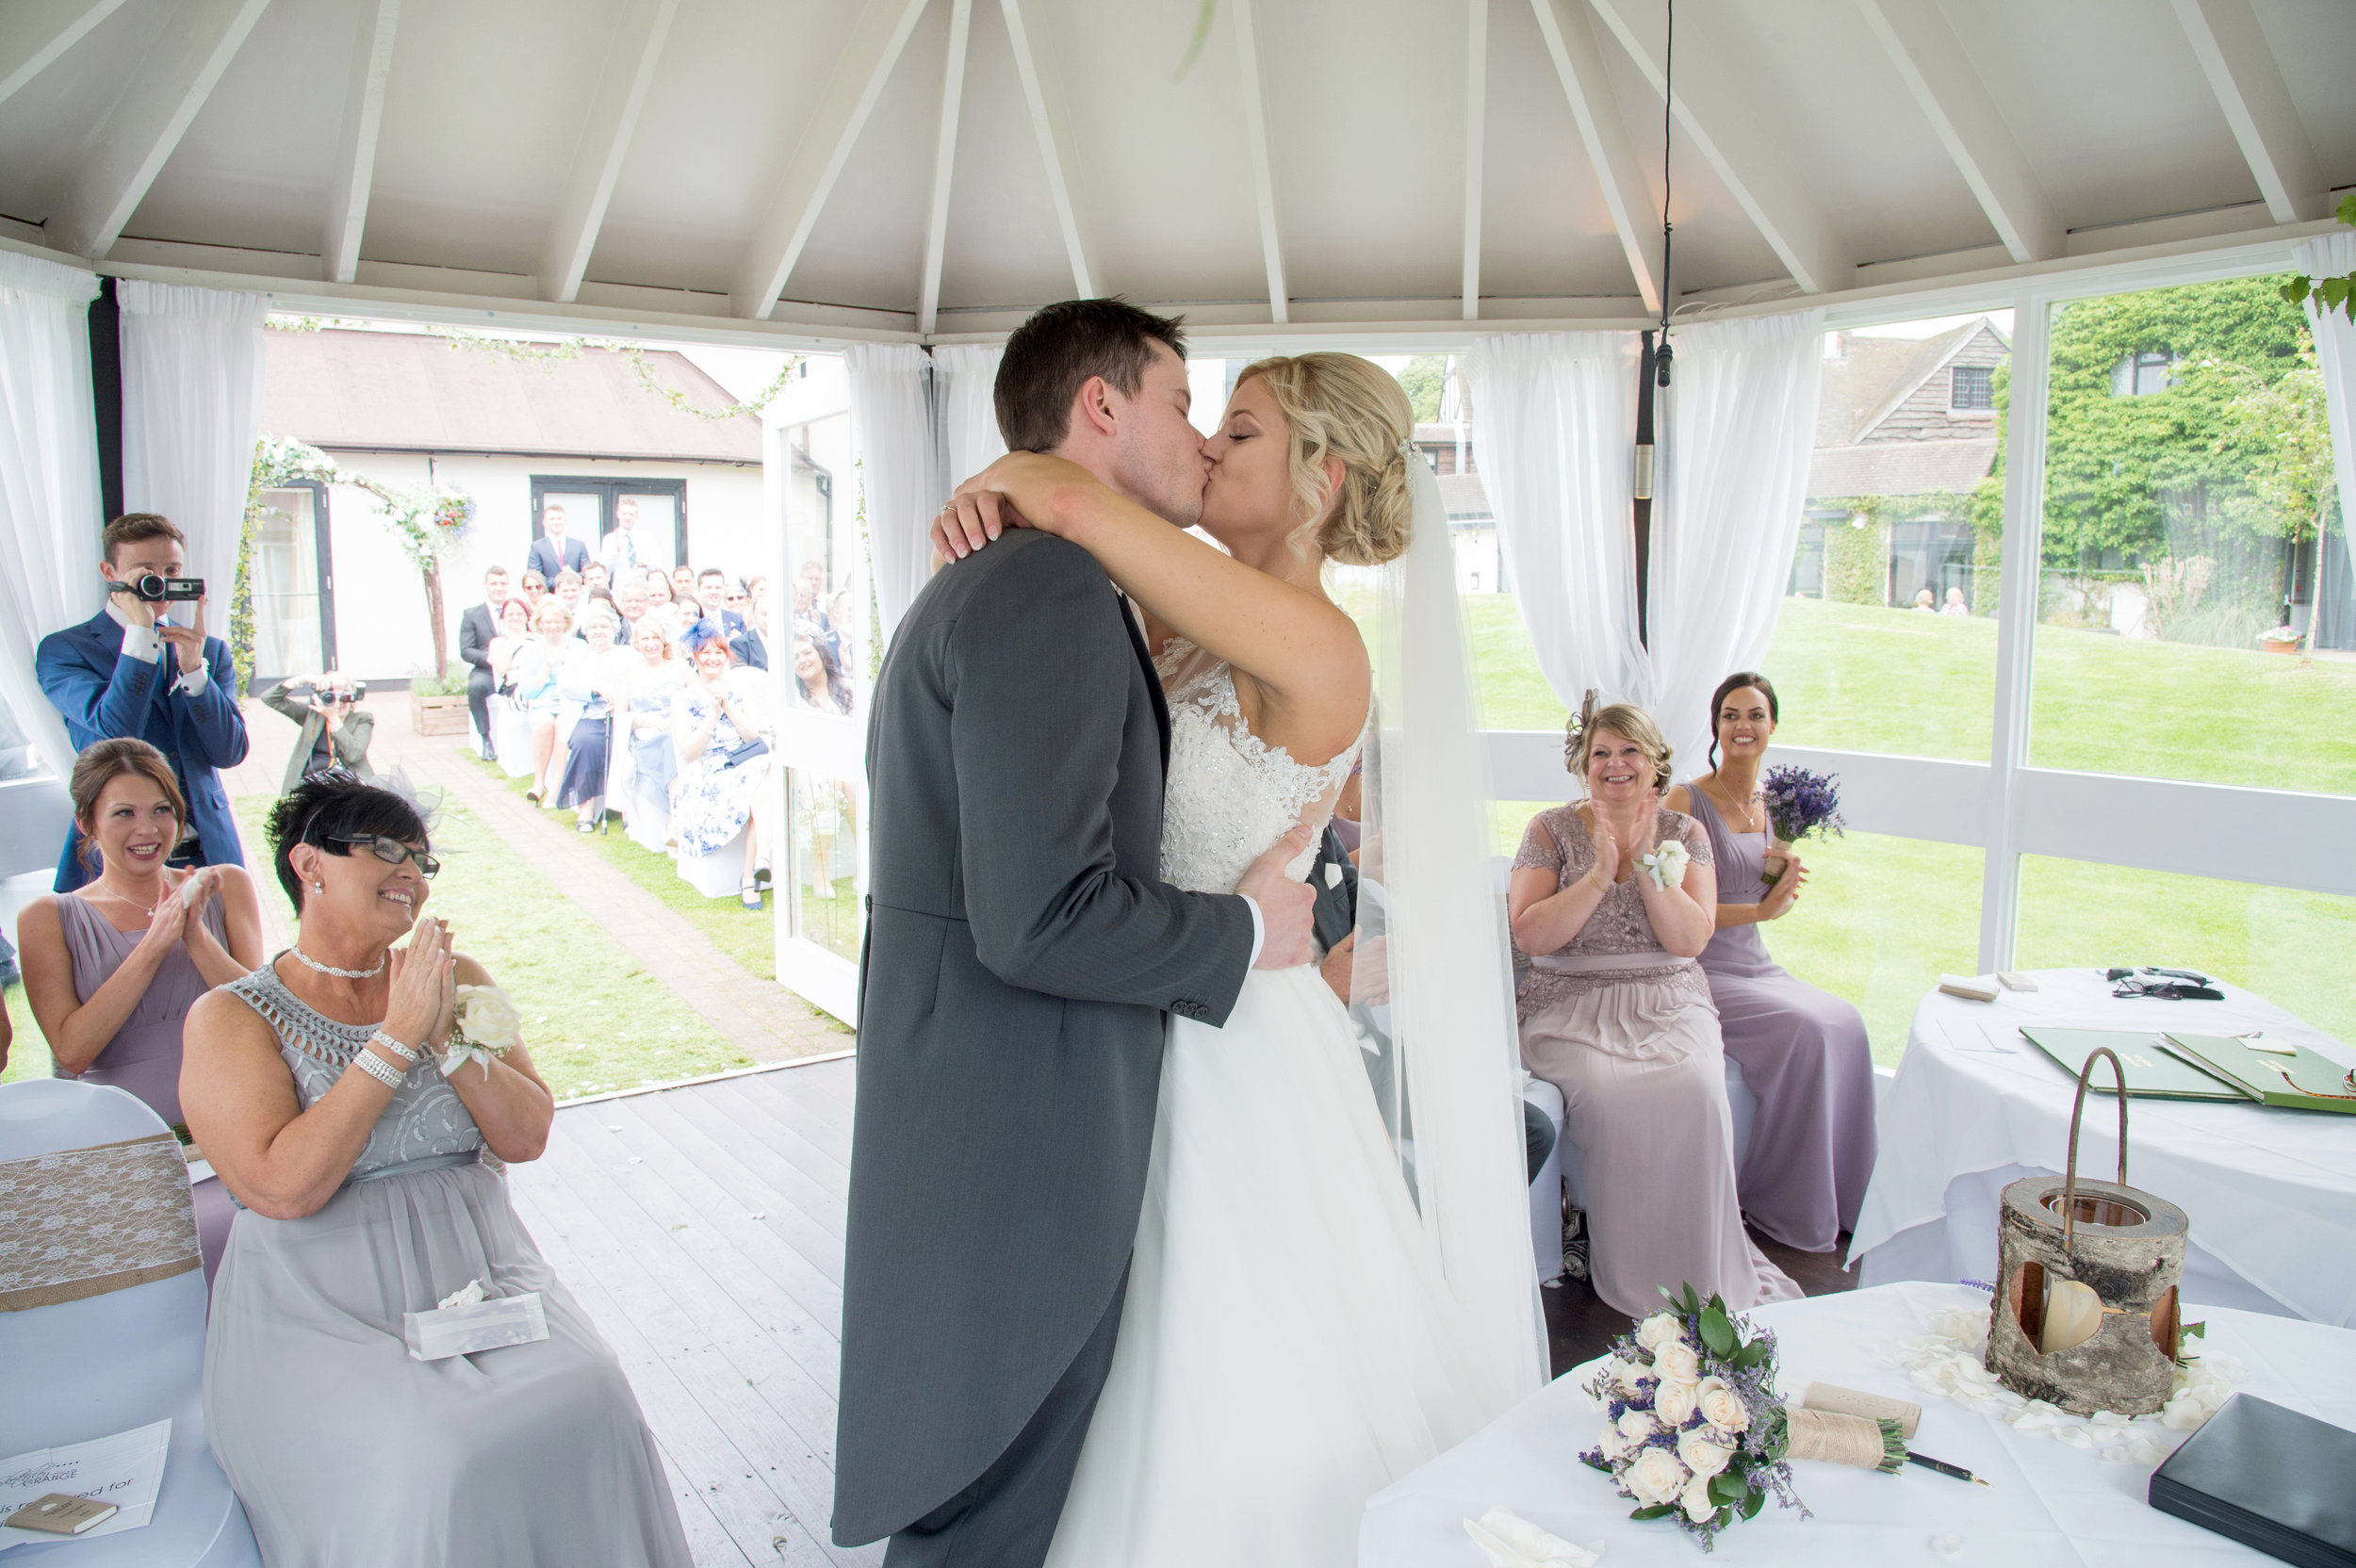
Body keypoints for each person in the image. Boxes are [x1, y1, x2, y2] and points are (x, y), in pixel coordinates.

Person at [904, 319, 1536, 1566]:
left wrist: (1017, 477)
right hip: (1144, 1006)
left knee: (1236, 1364)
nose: (1203, 445)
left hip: (1237, 1045)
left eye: (1236, 430)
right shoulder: (1183, 624)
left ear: (1322, 478)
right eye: (1199, 417)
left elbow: (1076, 510)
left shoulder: (1321, 644)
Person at [182, 771, 692, 1567]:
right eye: (386, 850)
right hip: (323, 1307)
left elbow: (526, 1135)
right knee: (436, 1448)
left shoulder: (465, 983)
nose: (412, 875)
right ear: (309, 865)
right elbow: (281, 1188)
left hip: (483, 1274)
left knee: (592, 1392)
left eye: (422, 860)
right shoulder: (231, 1016)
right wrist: (394, 1038)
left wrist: (443, 1036)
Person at [1508, 699, 1803, 1319]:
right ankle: (1628, 1265)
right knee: (1610, 1091)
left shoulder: (1685, 834)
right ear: (1582, 765)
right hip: (1571, 1001)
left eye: (1629, 751)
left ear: (1654, 762)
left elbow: (1690, 941)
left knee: (1696, 1088)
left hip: (1669, 996)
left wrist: (1646, 865)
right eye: (1602, 754)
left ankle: (1698, 1271)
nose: (1616, 764)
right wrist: (1595, 877)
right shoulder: (1549, 830)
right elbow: (1531, 937)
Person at [15, 738, 264, 1276]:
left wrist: (195, 935)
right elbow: (73, 1050)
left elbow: (267, 1017)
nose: (147, 830)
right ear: (86, 822)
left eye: (161, 811)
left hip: (241, 1127)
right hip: (122, 1148)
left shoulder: (227, 886)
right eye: (124, 813)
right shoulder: (48, 917)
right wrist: (154, 945)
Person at [1665, 673, 1876, 1254]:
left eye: (1755, 715)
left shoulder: (1775, 803)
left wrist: (1780, 877)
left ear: (1772, 726)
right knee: (1808, 1030)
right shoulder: (1686, 801)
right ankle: (1781, 1201)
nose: (1742, 726)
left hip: (1758, 964)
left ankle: (1848, 1199)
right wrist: (1762, 908)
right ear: (1715, 726)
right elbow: (1678, 907)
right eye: (1731, 715)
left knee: (1847, 1020)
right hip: (1701, 967)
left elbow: (1760, 889)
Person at [37, 513, 250, 891]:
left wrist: (194, 670)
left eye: (172, 570)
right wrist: (140, 634)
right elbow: (115, 734)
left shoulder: (207, 650)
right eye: (146, 572)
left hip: (207, 852)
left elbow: (230, 752)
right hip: (114, 857)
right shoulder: (65, 650)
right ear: (109, 571)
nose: (161, 584)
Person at [671, 621, 776, 910]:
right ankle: (755, 868)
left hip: (745, 762)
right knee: (765, 777)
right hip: (709, 771)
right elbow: (689, 753)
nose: (713, 658)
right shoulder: (683, 699)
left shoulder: (739, 690)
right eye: (705, 652)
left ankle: (753, 869)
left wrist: (729, 706)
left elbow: (753, 735)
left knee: (768, 774)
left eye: (719, 651)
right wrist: (712, 715)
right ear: (695, 657)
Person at [554, 601, 635, 833]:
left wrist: (621, 699)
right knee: (586, 743)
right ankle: (586, 810)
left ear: (614, 630)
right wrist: (594, 690)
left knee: (624, 746)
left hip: (621, 716)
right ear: (586, 632)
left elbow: (638, 682)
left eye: (604, 627)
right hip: (588, 716)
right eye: (593, 627)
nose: (599, 631)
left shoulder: (627, 654)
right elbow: (566, 686)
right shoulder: (576, 656)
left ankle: (627, 811)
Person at [509, 598, 580, 804]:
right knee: (544, 723)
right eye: (547, 622)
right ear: (539, 623)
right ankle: (539, 783)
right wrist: (545, 670)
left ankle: (557, 786)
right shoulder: (531, 650)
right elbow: (528, 691)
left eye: (557, 621)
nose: (553, 626)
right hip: (543, 703)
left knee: (561, 725)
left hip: (570, 702)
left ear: (565, 622)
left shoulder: (577, 646)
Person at [621, 619, 684, 847]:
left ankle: (674, 821)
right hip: (645, 737)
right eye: (645, 639)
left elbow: (699, 698)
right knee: (669, 743)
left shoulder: (679, 668)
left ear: (664, 641)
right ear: (636, 643)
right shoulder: (628, 673)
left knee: (673, 742)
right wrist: (643, 720)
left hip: (678, 733)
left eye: (655, 638)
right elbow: (620, 715)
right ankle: (674, 820)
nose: (651, 644)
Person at [261, 672, 375, 792]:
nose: (339, 704)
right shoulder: (313, 715)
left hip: (349, 785)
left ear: (353, 699)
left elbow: (354, 755)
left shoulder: (362, 719)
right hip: (311, 781)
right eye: (332, 698)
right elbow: (269, 698)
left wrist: (334, 719)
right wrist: (303, 679)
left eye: (345, 698)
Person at [458, 564, 510, 760]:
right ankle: (486, 739)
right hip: (486, 670)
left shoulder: (516, 610)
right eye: (494, 583)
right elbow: (466, 650)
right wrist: (490, 658)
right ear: (485, 585)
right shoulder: (472, 614)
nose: (499, 588)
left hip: (514, 670)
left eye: (503, 583)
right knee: (475, 688)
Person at [527, 500, 591, 582]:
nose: (556, 522)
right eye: (552, 519)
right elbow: (534, 576)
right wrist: (557, 582)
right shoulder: (537, 547)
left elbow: (588, 573)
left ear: (565, 521)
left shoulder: (579, 546)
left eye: (559, 518)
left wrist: (573, 575)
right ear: (544, 522)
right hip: (549, 593)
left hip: (574, 592)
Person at [789, 633, 851, 715]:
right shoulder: (791, 699)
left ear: (822, 656)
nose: (802, 661)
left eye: (807, 653)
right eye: (795, 658)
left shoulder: (849, 688)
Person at [723, 579, 768, 670]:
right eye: (764, 614)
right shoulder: (740, 644)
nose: (769, 619)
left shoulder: (789, 640)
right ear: (755, 616)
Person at [600, 496, 649, 579]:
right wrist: (616, 551)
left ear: (636, 516)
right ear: (618, 514)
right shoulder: (609, 539)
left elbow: (657, 567)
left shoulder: (647, 538)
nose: (628, 517)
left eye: (631, 514)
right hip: (620, 587)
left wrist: (647, 565)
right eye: (625, 514)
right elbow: (604, 570)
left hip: (642, 586)